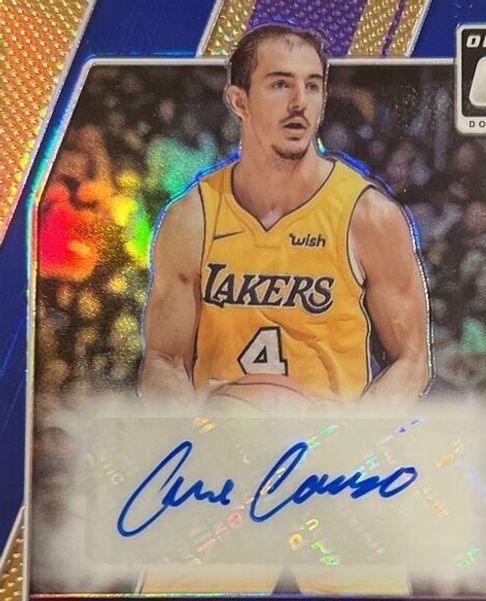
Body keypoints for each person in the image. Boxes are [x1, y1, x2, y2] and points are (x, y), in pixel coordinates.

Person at [140, 23, 431, 405]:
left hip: (326, 438)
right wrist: (194, 428)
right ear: (239, 102)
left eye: (312, 86)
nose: (299, 102)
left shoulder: (368, 215)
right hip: (224, 435)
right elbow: (163, 360)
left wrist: (356, 432)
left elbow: (412, 360)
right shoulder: (193, 217)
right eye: (280, 84)